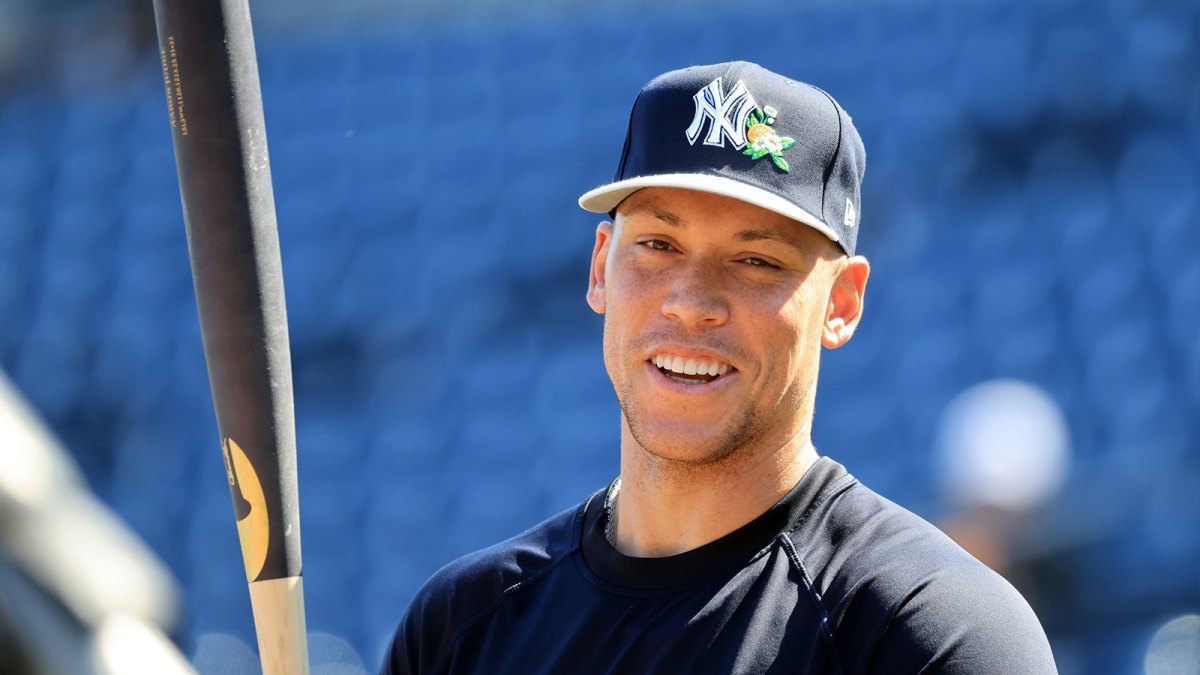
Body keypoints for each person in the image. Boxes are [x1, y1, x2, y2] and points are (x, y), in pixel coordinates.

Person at [381, 61, 1057, 674]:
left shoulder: (936, 633)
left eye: (756, 259)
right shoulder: (461, 627)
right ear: (599, 269)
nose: (690, 302)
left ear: (842, 303)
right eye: (657, 244)